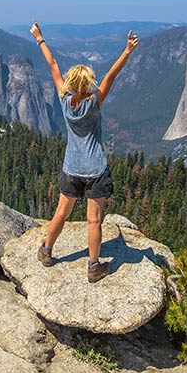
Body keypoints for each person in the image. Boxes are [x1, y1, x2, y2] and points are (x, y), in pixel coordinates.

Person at [29, 19, 139, 283]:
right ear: (88, 84)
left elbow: (53, 65)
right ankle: (93, 267)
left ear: (70, 83)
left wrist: (39, 38)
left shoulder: (65, 101)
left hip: (72, 169)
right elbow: (111, 75)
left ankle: (46, 251)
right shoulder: (94, 103)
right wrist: (126, 51)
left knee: (60, 213)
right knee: (94, 221)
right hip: (96, 171)